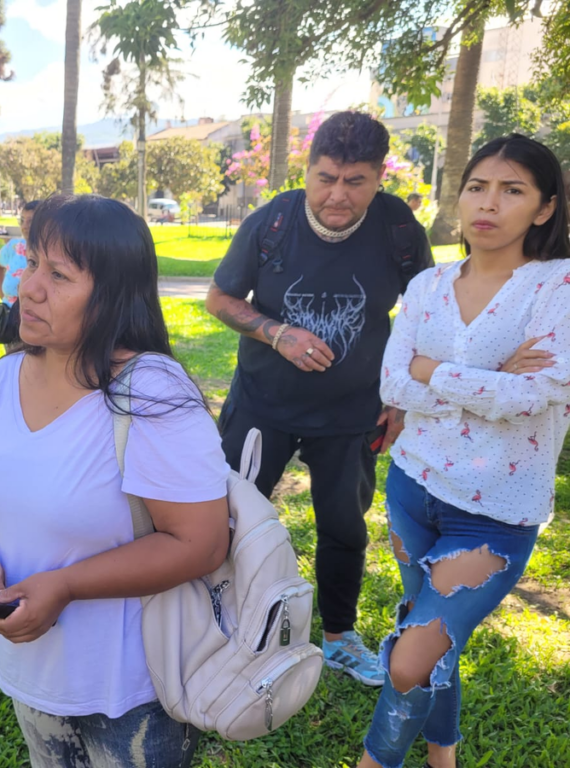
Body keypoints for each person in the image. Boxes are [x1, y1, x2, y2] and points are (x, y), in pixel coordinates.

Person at [0, 194, 231, 768]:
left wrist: (65, 586)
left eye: (60, 274)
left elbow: (200, 542)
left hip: (135, 688)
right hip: (33, 672)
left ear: (114, 296)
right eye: (29, 263)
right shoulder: (4, 377)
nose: (27, 287)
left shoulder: (150, 390)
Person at [358, 135, 570, 768]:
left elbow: (545, 389)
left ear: (543, 208)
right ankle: (442, 756)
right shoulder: (427, 285)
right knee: (436, 641)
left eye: (512, 190)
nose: (489, 203)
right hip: (412, 485)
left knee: (410, 656)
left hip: (494, 511)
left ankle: (375, 762)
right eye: (477, 186)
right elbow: (391, 383)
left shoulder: (556, 286)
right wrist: (490, 377)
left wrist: (436, 371)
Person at [205, 111, 434, 687]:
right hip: (263, 403)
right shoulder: (273, 221)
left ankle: (338, 637)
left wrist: (401, 399)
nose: (338, 195)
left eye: (355, 181)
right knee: (228, 515)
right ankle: (217, 619)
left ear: (379, 177)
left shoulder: (397, 227)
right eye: (326, 177)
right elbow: (220, 299)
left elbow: (425, 314)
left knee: (344, 527)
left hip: (354, 411)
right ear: (307, 172)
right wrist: (276, 332)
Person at [0, 200, 39, 307]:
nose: (24, 226)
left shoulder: (52, 254)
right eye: (22, 220)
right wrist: (4, 297)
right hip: (8, 318)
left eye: (31, 221)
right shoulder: (14, 247)